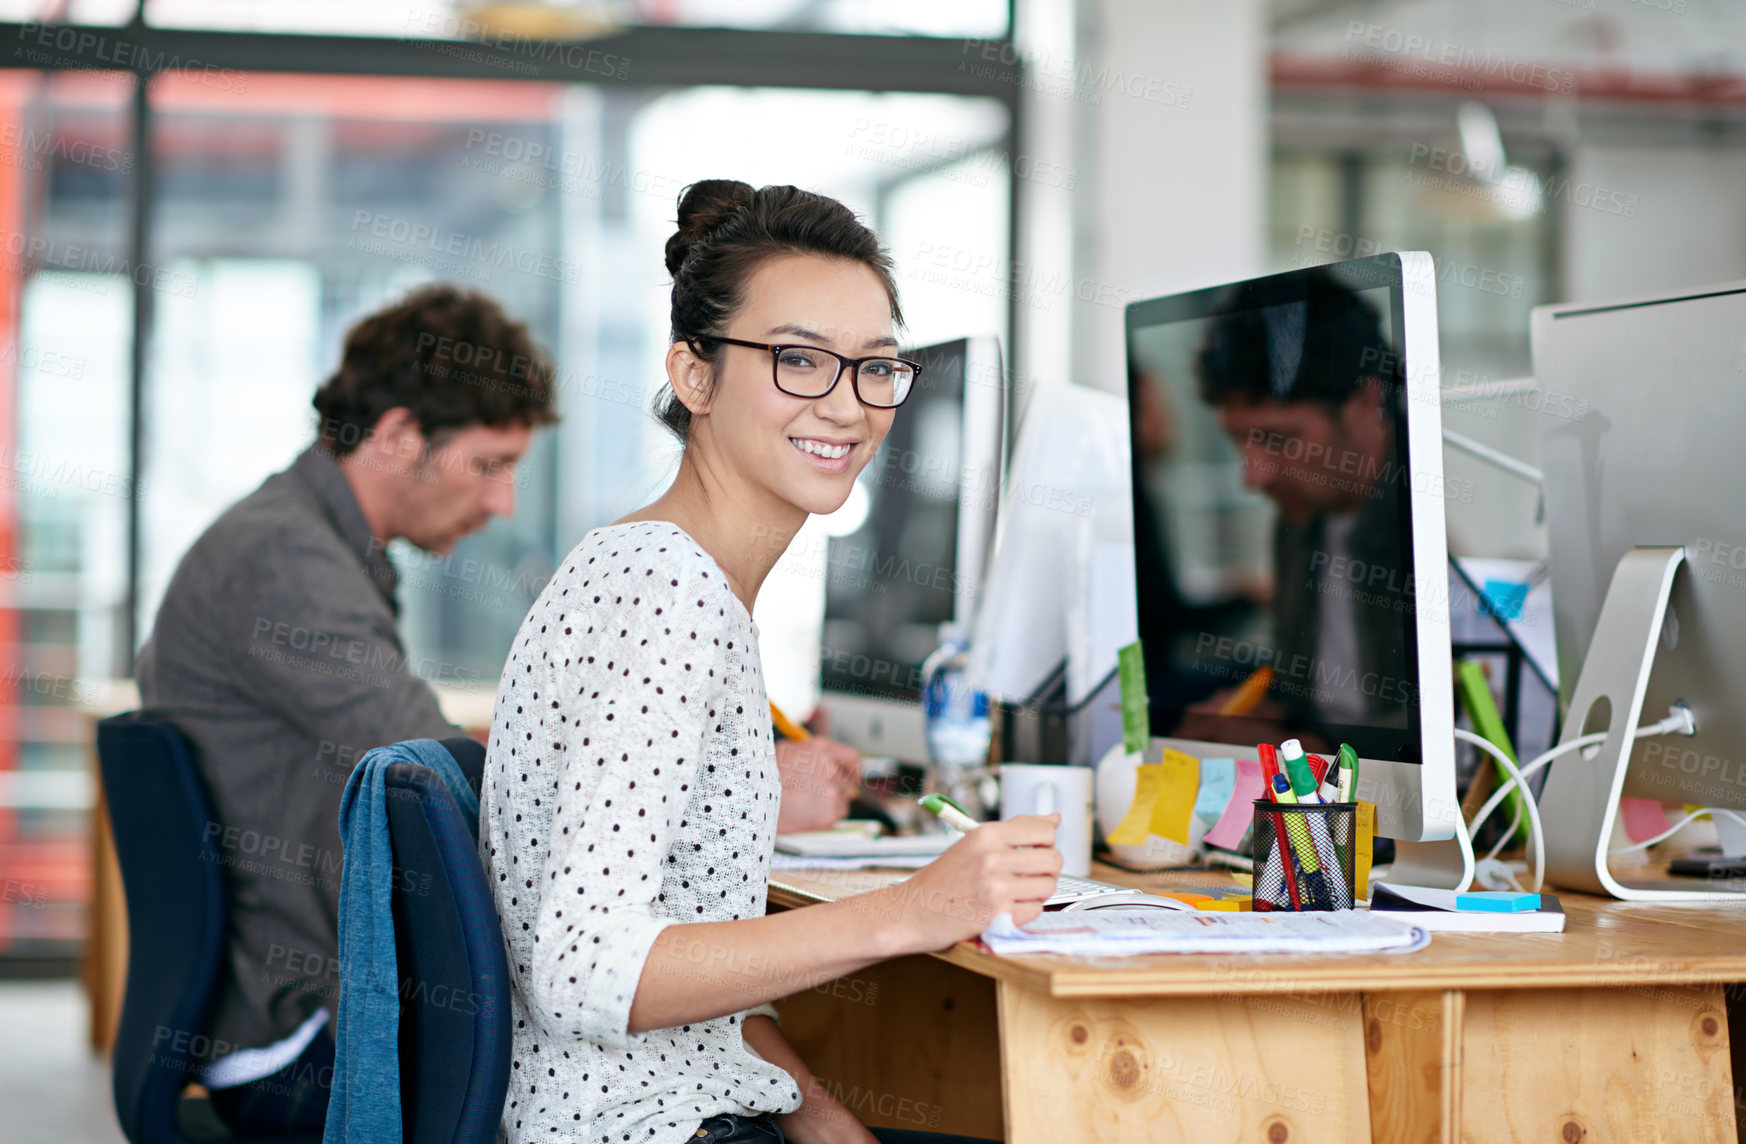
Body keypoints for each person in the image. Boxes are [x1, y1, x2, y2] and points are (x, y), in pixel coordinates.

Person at [480, 180, 1060, 1144]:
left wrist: (821, 1116)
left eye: (875, 368)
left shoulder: (673, 574)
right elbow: (586, 969)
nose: (846, 406)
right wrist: (914, 909)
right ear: (694, 377)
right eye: (799, 361)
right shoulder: (667, 592)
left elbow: (691, 950)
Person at [135, 284, 559, 1137]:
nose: (503, 502)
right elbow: (438, 779)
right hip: (291, 1034)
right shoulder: (284, 557)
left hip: (271, 1004)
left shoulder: (305, 539)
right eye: (490, 464)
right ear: (400, 436)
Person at [1193, 276, 1414, 737]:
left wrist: (1296, 747)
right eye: (1239, 439)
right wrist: (1259, 717)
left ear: (1364, 401)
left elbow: (1443, 745)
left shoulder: (1422, 526)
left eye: (1279, 439)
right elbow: (1306, 700)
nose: (1253, 476)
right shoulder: (1299, 521)